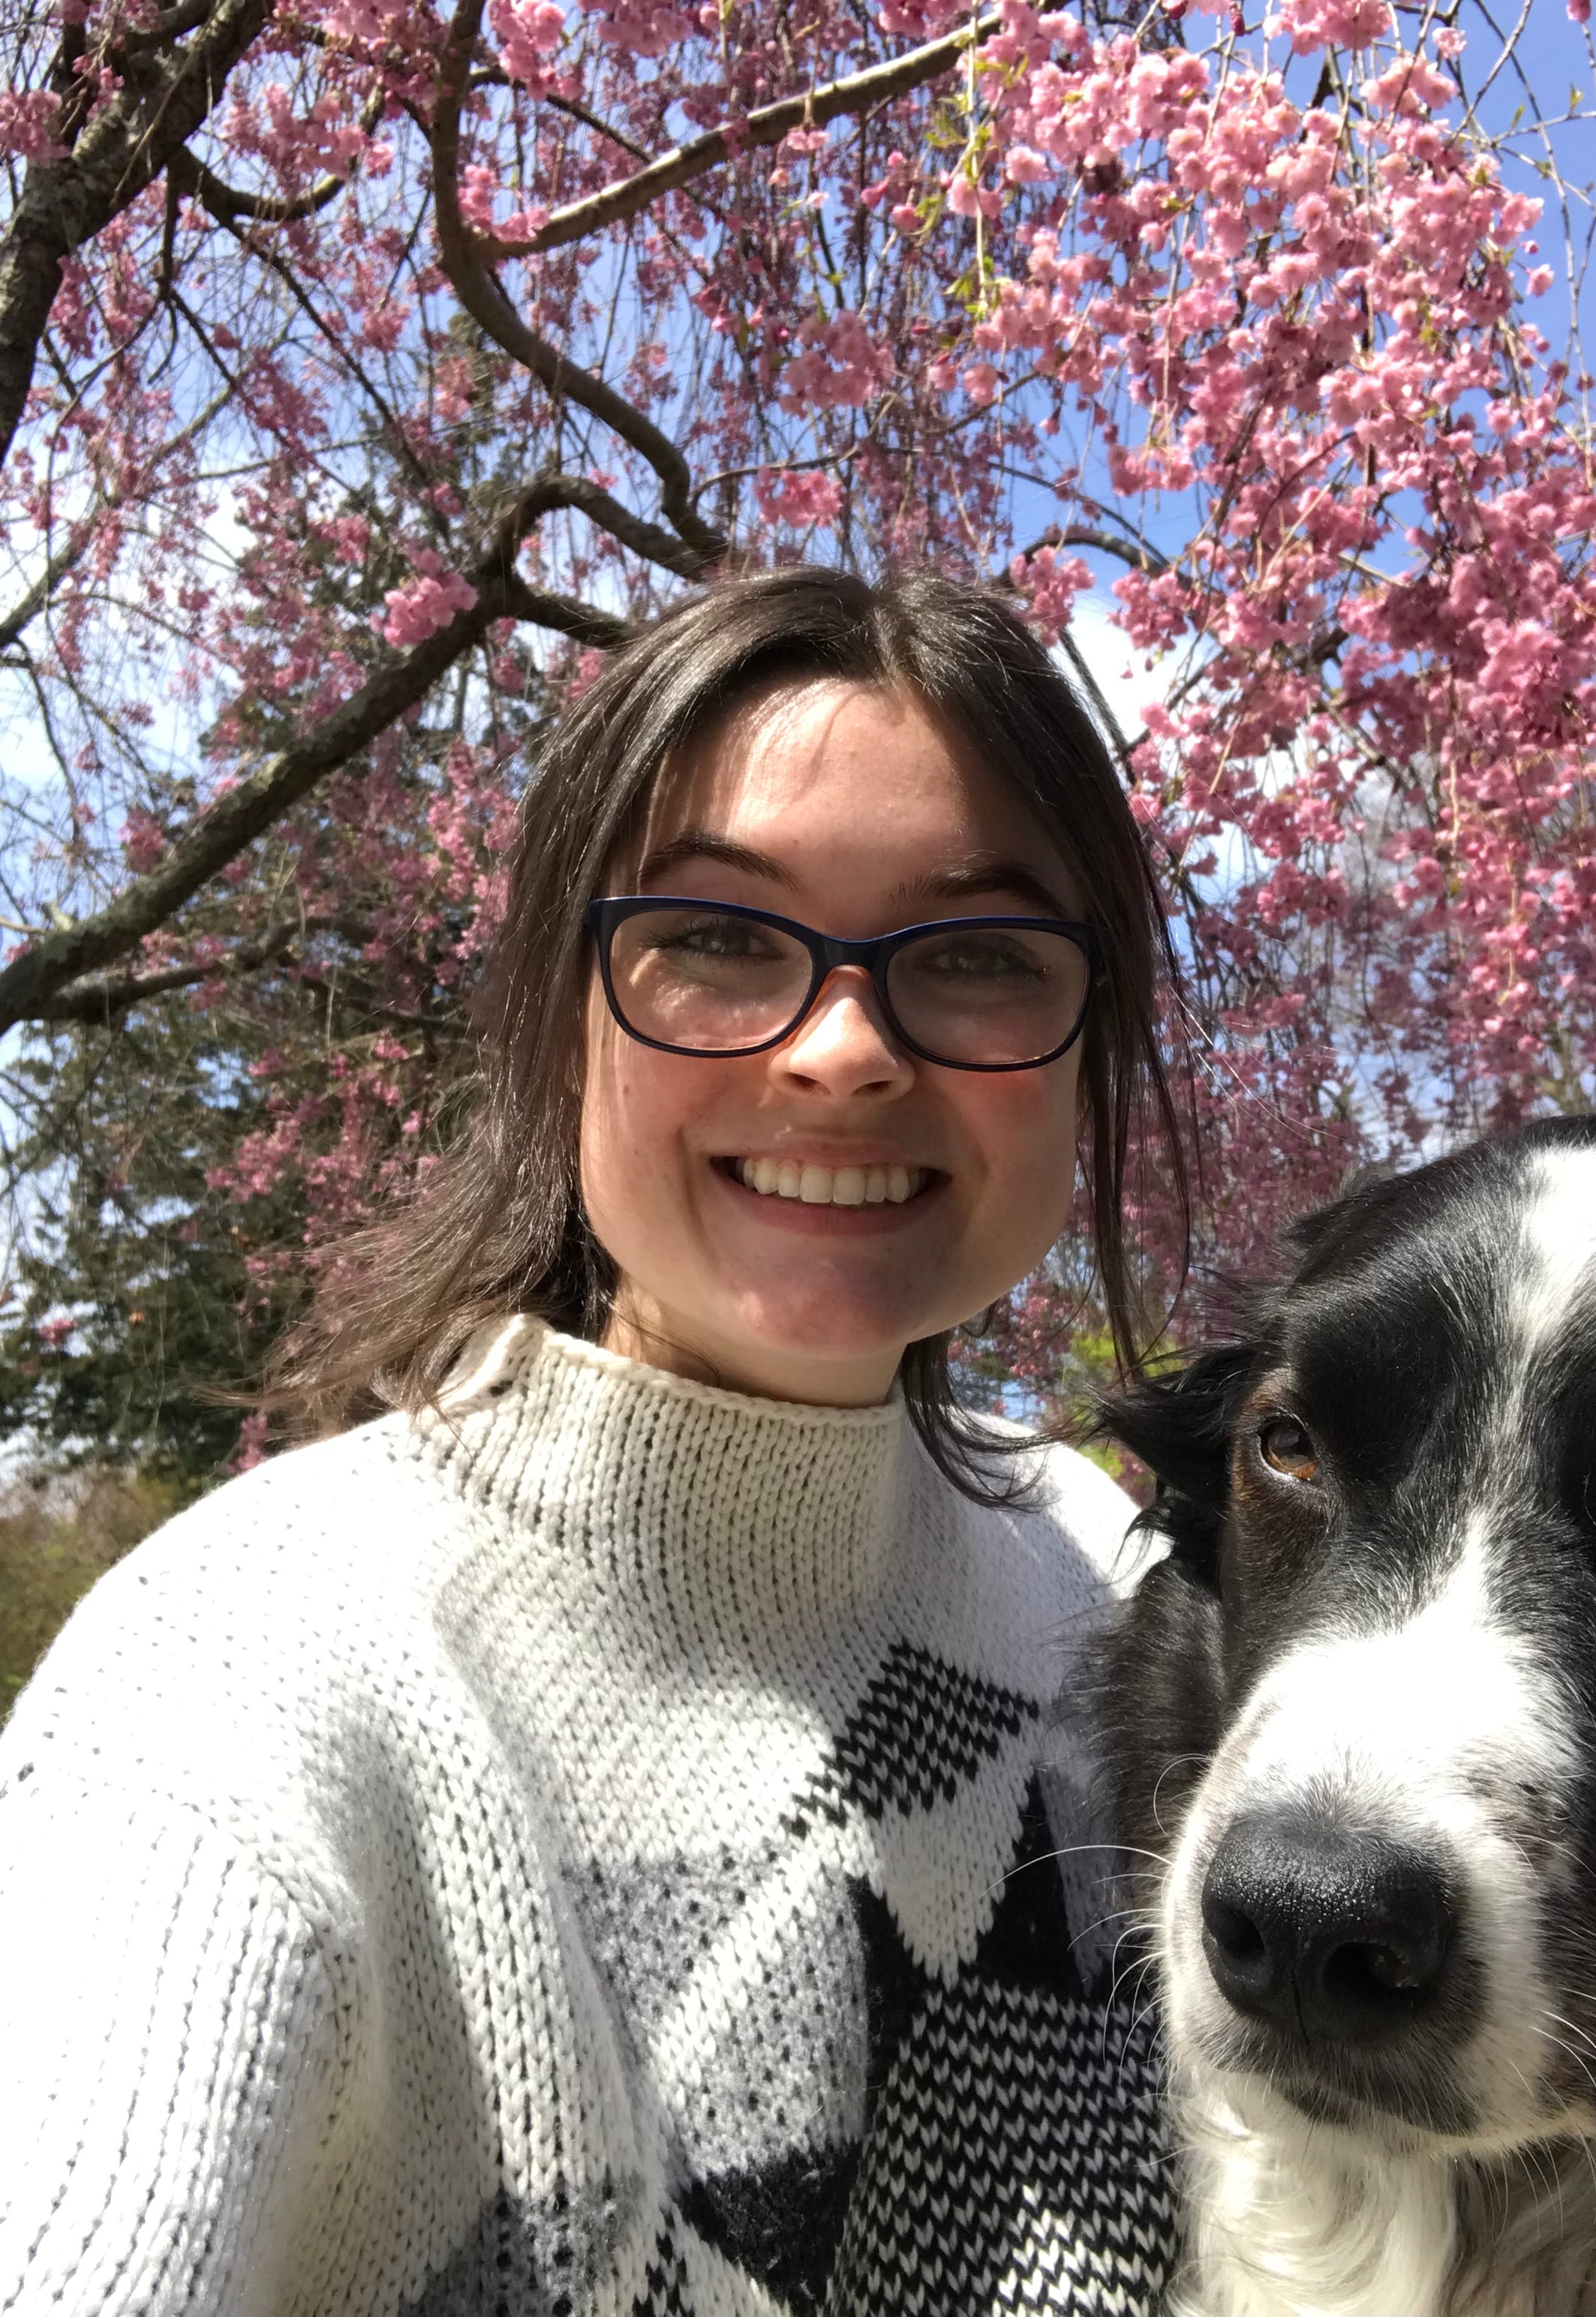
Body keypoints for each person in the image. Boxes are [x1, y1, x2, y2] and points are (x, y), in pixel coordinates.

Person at [0, 566, 1183, 2316]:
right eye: (713, 936)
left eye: (979, 955)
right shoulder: (249, 1672)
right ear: (559, 1015)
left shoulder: (1102, 1578)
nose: (843, 1048)